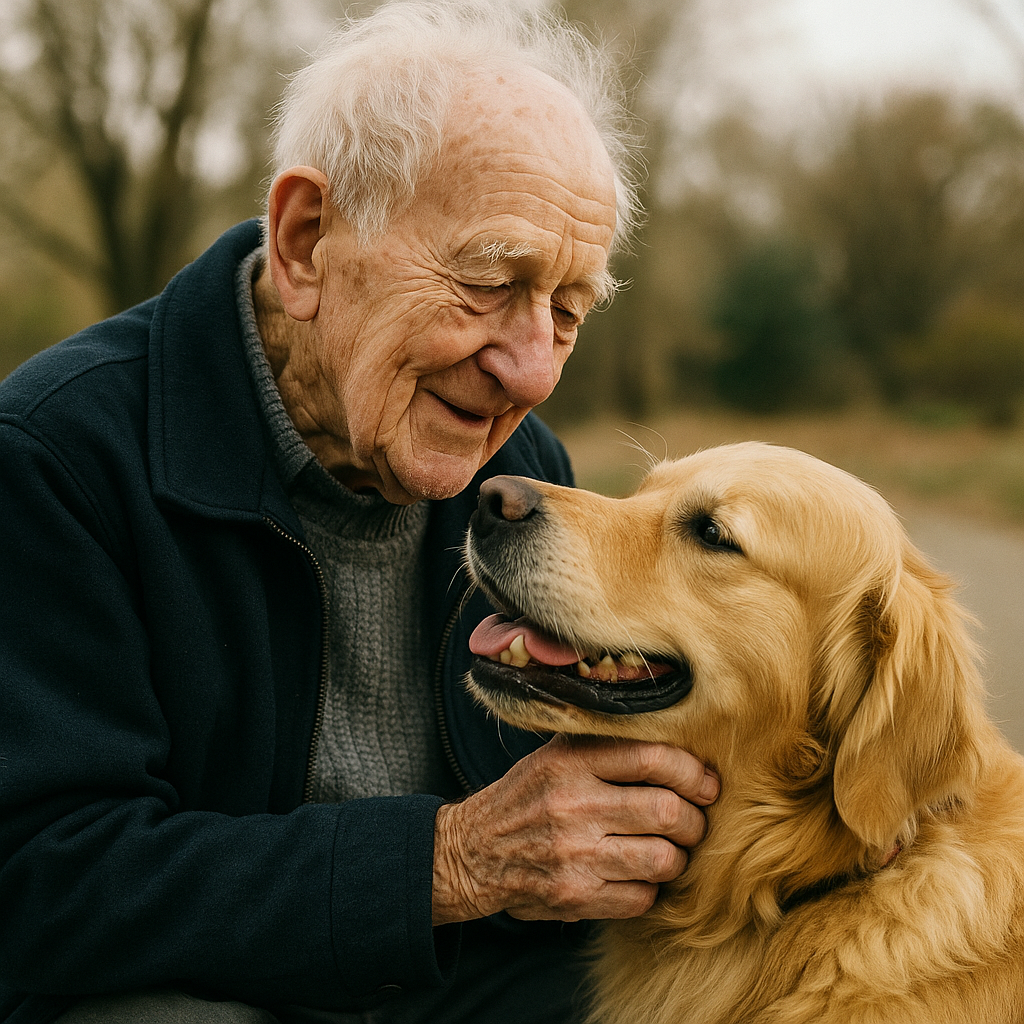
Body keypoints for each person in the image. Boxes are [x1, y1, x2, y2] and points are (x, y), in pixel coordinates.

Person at [0, 3, 719, 1023]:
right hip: (200, 991)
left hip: (450, 983)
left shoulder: (516, 461)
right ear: (304, 243)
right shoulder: (55, 459)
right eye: (486, 279)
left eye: (566, 309)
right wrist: (445, 863)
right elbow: (40, 875)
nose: (530, 368)